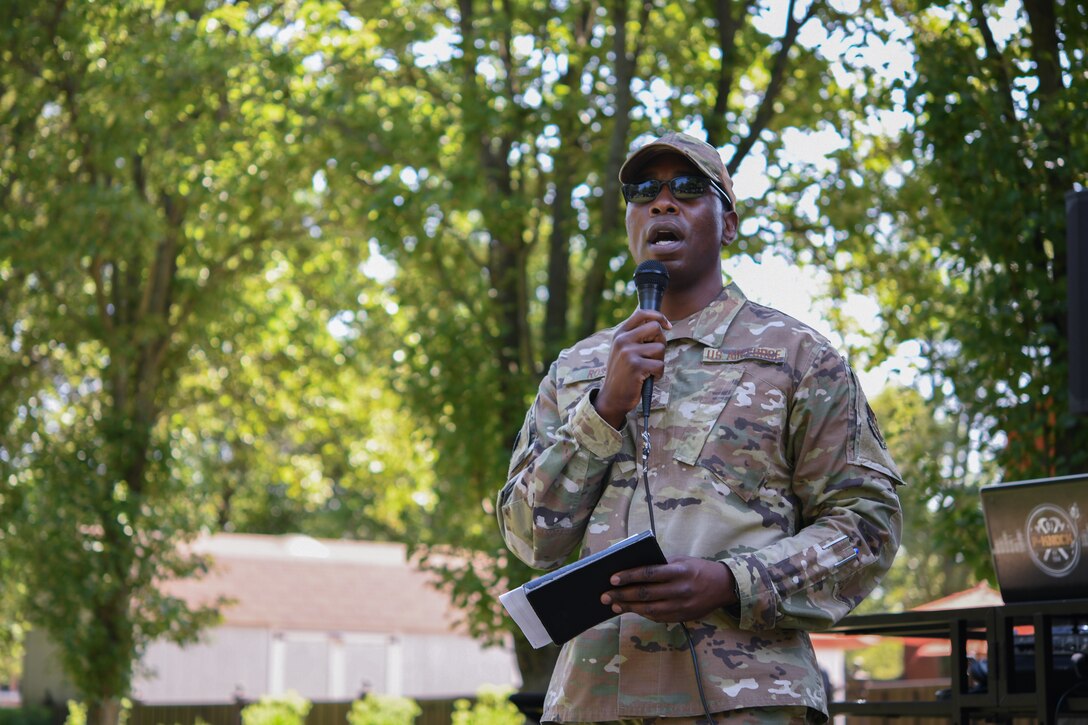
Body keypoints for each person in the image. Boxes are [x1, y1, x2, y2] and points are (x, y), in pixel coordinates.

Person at [496, 131, 904, 724]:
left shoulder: (799, 359)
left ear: (728, 224)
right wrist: (603, 410)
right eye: (644, 192)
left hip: (749, 702)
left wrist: (732, 581)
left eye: (688, 189)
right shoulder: (577, 370)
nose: (663, 203)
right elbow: (530, 537)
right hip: (595, 701)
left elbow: (867, 525)